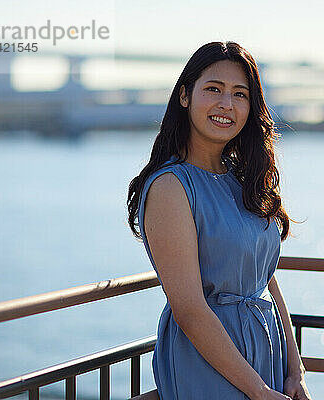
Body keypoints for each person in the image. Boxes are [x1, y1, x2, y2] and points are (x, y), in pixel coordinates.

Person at [127, 41, 312, 400]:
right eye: (213, 89)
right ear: (185, 96)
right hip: (209, 361)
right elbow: (190, 310)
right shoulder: (171, 187)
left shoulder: (243, 180)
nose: (226, 104)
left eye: (239, 94)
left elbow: (266, 280)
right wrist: (258, 391)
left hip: (264, 356)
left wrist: (295, 369)